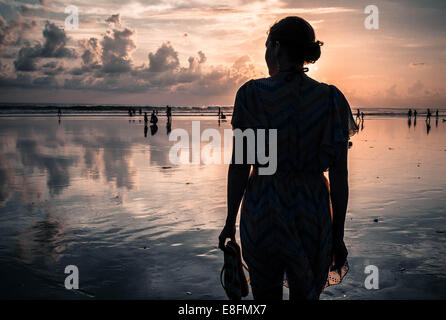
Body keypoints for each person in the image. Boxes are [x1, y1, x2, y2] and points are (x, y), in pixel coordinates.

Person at [218, 16, 358, 300]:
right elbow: (339, 174)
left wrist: (230, 219)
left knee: (265, 296)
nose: (266, 52)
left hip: (263, 209)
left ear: (277, 48)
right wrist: (338, 234)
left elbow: (241, 165)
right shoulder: (330, 98)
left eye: (267, 45)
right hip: (312, 209)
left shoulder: (252, 94)